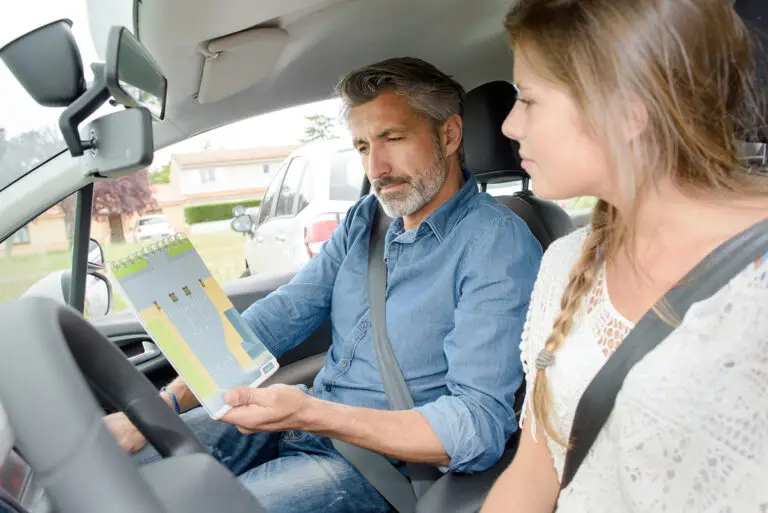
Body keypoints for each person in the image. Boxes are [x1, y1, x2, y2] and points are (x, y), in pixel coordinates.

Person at [105, 57, 543, 512]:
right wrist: (160, 408)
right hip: (307, 422)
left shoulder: (497, 245)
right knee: (115, 473)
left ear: (449, 135)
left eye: (393, 138)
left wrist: (314, 414)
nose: (377, 167)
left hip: (382, 466)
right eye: (361, 146)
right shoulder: (366, 221)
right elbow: (283, 314)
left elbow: (477, 424)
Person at [480, 1, 768, 512]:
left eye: (529, 99)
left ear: (628, 112)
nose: (508, 126)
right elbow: (536, 469)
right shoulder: (566, 263)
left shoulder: (754, 285)